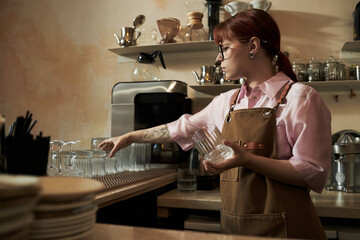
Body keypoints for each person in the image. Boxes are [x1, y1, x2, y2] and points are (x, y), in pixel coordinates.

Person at [99, 9, 331, 239]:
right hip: (235, 229)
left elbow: (312, 173)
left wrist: (247, 159)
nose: (218, 58)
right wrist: (130, 137)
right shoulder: (226, 102)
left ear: (253, 46)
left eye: (225, 48)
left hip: (288, 230)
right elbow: (180, 128)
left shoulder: (301, 97)